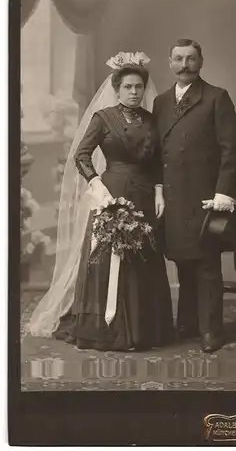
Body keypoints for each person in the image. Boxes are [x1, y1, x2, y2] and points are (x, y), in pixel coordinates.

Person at [27, 52, 174, 352]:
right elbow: (81, 155)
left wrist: (159, 191)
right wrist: (96, 184)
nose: (134, 92)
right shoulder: (103, 118)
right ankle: (108, 330)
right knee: (109, 256)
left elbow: (157, 160)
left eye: (139, 87)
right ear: (117, 89)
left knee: (142, 257)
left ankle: (144, 330)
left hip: (144, 195)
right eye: (128, 87)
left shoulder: (151, 120)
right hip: (111, 195)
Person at [153, 39, 236, 353]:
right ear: (169, 62)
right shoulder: (161, 102)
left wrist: (224, 194)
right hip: (173, 197)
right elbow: (157, 153)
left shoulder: (216, 98)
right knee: (182, 261)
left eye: (191, 59)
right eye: (178, 59)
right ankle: (187, 323)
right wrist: (158, 190)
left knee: (206, 265)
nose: (184, 65)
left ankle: (210, 331)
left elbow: (232, 149)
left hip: (204, 198)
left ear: (201, 62)